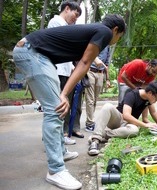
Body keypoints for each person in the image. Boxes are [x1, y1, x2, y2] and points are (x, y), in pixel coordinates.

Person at [13, 14, 126, 190]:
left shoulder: (92, 31)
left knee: (58, 107)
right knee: (56, 108)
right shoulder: (104, 32)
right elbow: (86, 62)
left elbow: (80, 60)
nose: (116, 40)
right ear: (116, 30)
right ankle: (55, 170)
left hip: (38, 54)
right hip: (31, 52)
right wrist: (64, 94)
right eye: (119, 37)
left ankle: (61, 152)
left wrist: (64, 92)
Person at [87, 81, 157, 156]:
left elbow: (149, 116)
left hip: (129, 125)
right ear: (150, 93)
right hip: (118, 119)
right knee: (107, 106)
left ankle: (104, 134)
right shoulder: (132, 94)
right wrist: (145, 125)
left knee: (135, 130)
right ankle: (95, 140)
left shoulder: (148, 101)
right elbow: (126, 116)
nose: (156, 101)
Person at [47, 0, 82, 145]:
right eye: (75, 14)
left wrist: (73, 68)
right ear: (67, 9)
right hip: (58, 72)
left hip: (65, 72)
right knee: (58, 106)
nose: (76, 18)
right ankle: (55, 139)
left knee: (63, 106)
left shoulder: (64, 25)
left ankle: (59, 137)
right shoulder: (56, 23)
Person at [85, 46, 111, 132]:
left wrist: (107, 79)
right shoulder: (96, 40)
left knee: (95, 99)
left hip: (100, 74)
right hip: (90, 71)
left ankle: (90, 120)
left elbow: (107, 64)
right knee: (90, 99)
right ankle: (90, 123)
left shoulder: (108, 46)